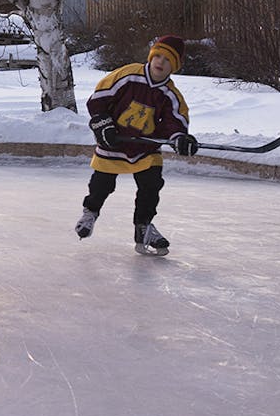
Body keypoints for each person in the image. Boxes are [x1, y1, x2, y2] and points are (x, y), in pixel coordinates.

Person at [75, 34, 198, 256]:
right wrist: (103, 125)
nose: (160, 62)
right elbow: (98, 100)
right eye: (157, 56)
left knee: (151, 186)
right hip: (113, 143)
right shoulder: (128, 75)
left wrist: (180, 138)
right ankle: (90, 212)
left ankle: (144, 227)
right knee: (101, 185)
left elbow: (175, 122)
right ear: (151, 56)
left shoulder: (170, 94)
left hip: (145, 149)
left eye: (167, 60)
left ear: (175, 67)